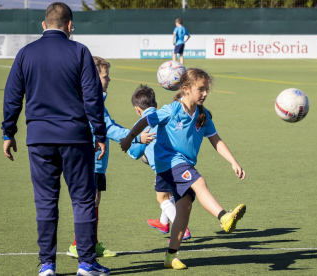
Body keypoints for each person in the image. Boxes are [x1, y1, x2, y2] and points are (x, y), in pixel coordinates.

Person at [1, 3, 110, 276]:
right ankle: (86, 264)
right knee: (83, 200)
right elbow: (92, 96)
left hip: (38, 140)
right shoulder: (79, 51)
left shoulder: (26, 53)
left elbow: (12, 96)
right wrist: (100, 133)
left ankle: (47, 265)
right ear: (70, 25)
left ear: (43, 24)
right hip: (76, 138)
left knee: (46, 201)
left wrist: (8, 132)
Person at [120, 68, 246, 270]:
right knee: (199, 182)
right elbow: (146, 119)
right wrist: (129, 139)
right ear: (185, 89)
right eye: (201, 89)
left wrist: (233, 161)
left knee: (184, 210)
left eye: (206, 90)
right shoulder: (172, 110)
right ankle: (224, 217)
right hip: (169, 163)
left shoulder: (203, 115)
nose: (205, 93)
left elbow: (215, 139)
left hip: (180, 165)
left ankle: (171, 256)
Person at [66, 57, 155, 259]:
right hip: (90, 159)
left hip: (95, 159)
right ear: (93, 78)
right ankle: (79, 244)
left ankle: (90, 242)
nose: (109, 80)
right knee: (89, 202)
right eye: (105, 76)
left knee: (93, 201)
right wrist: (135, 137)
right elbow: (108, 128)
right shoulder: (91, 101)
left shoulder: (94, 100)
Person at [127, 85, 191, 241]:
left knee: (161, 198)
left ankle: (182, 230)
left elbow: (134, 152)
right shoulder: (165, 116)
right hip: (180, 162)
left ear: (137, 110)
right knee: (168, 194)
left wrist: (140, 152)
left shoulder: (141, 126)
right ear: (155, 105)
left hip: (164, 167)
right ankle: (163, 222)